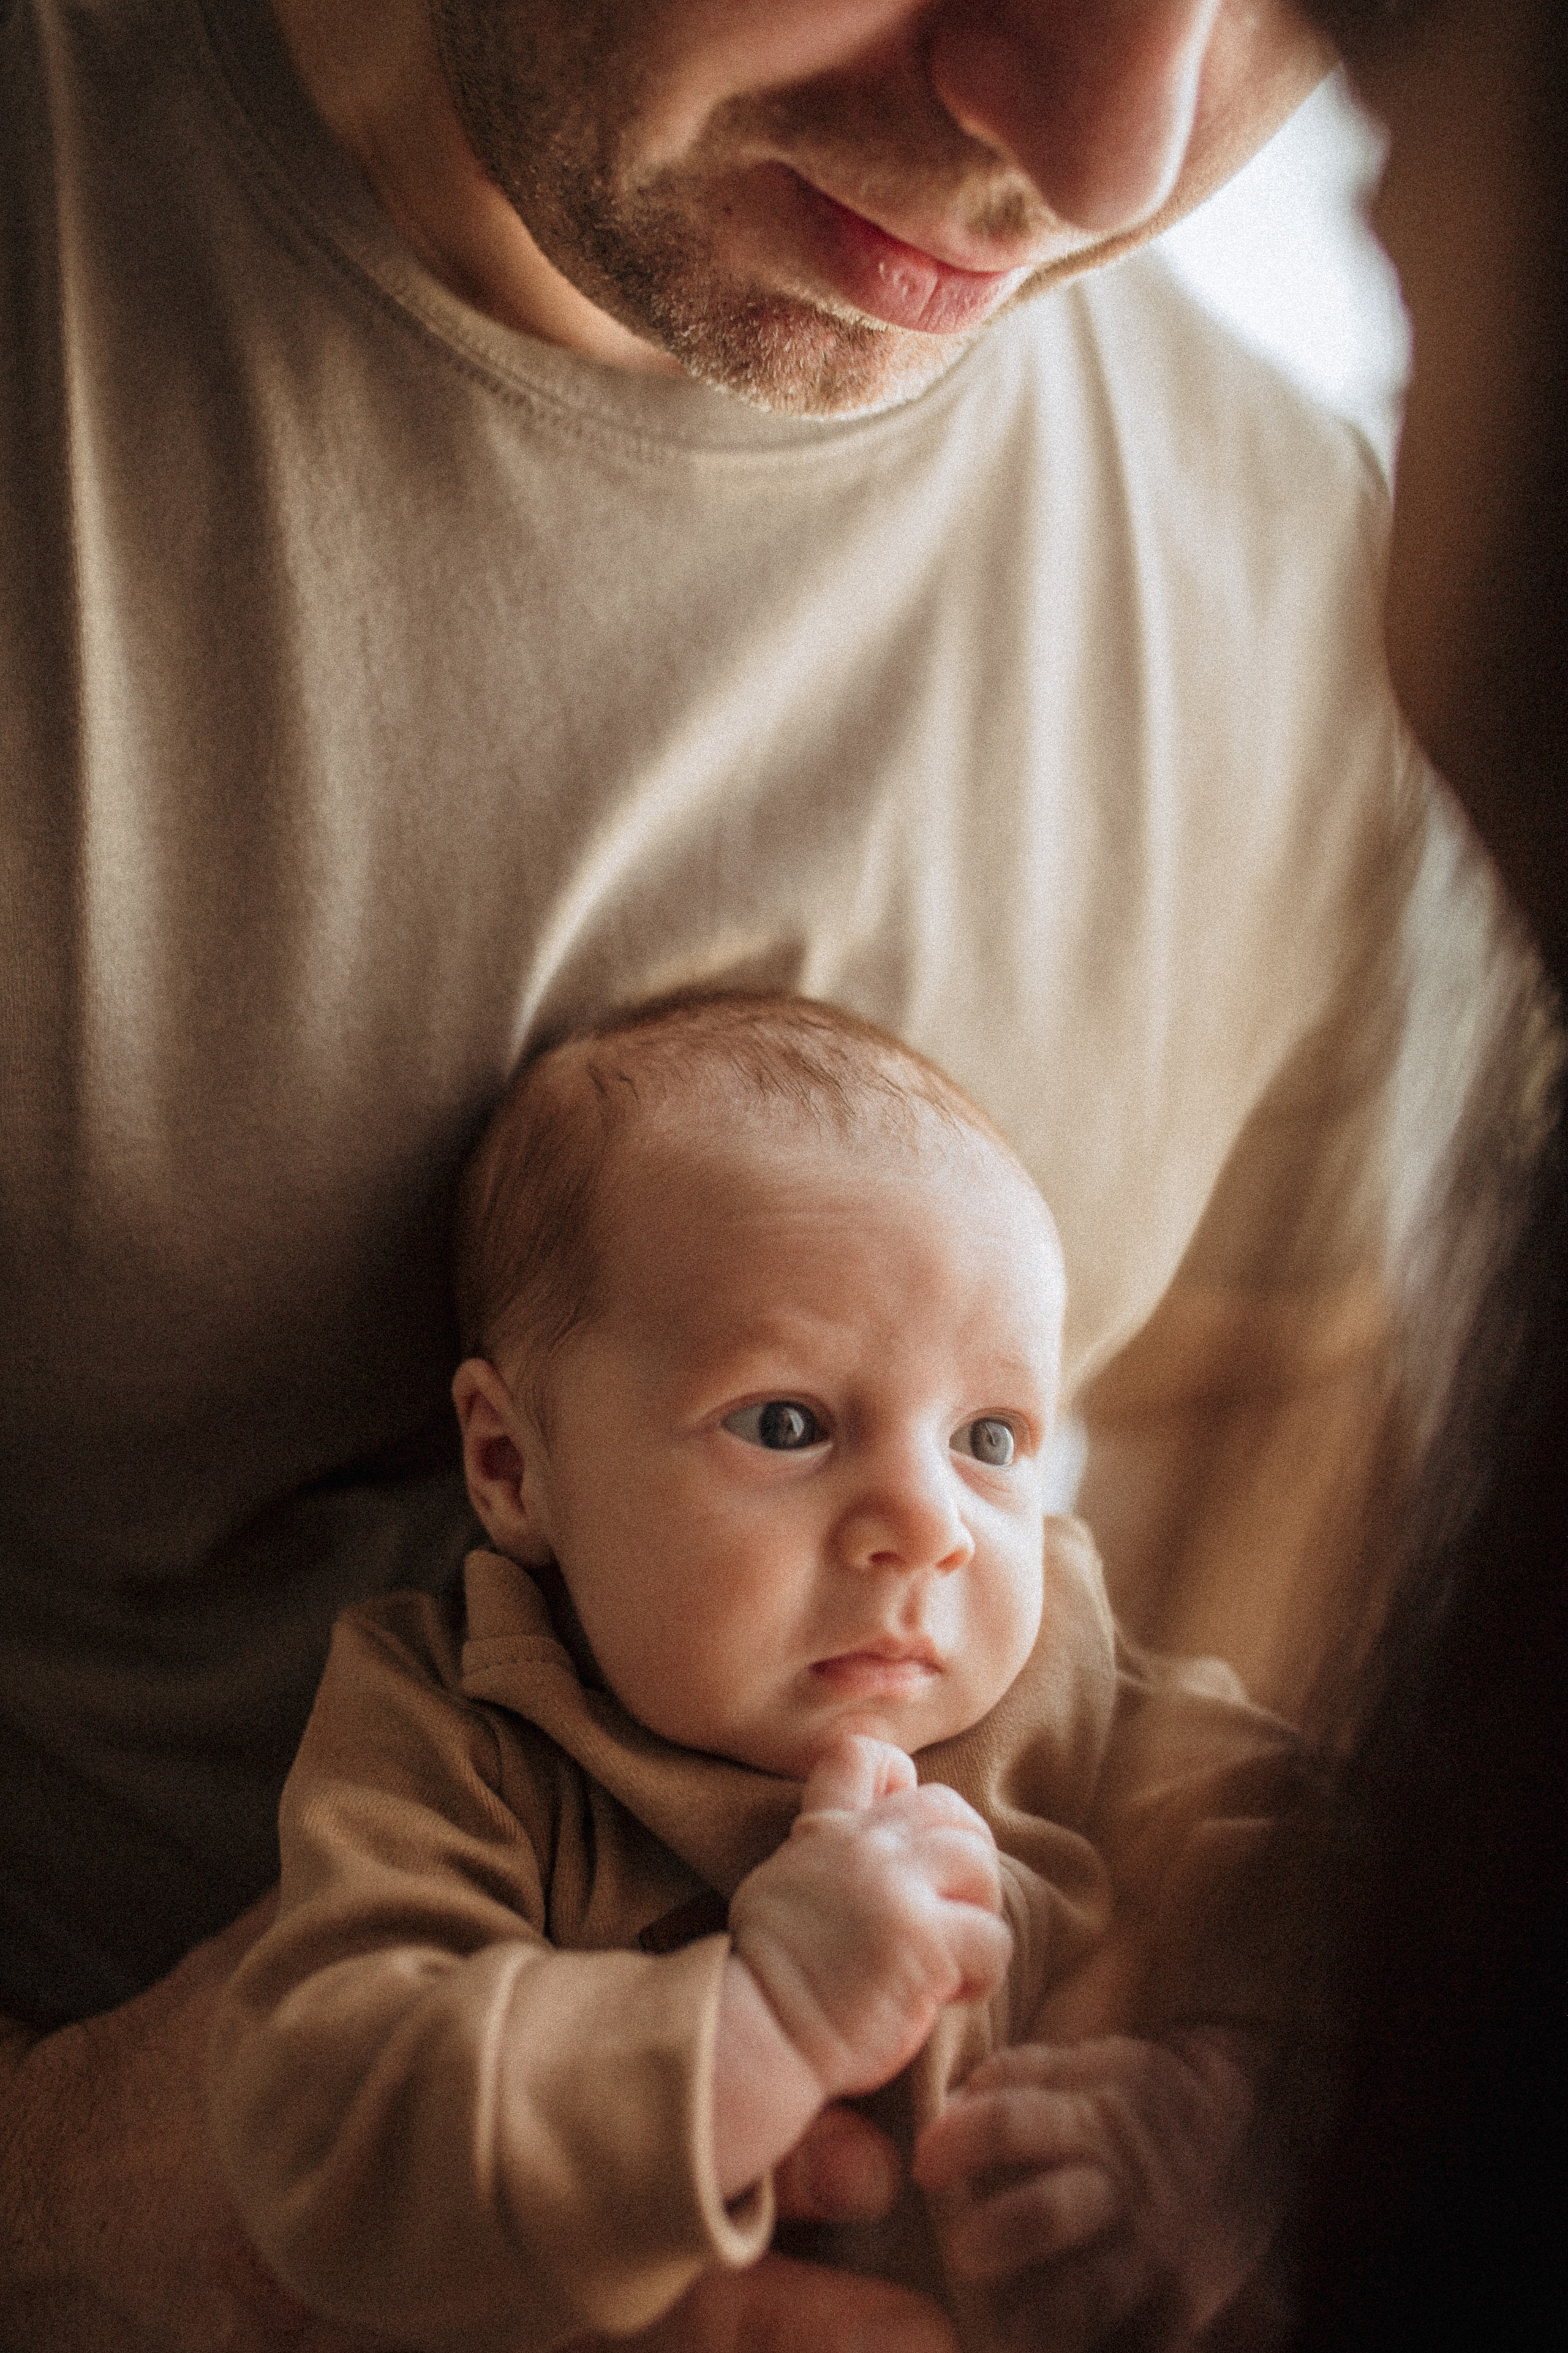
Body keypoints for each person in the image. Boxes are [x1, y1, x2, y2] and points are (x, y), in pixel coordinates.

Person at [0, 4, 1529, 2350]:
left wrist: (1211, 2134)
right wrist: (78, 2210)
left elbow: (1262, 1760)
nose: (1117, 159)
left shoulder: (1332, 612)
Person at [208, 992, 1307, 2353]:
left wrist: (1228, 2120)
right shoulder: (463, 1734)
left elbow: (1380, 1911)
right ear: (508, 1466)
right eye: (786, 1422)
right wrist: (759, 2019)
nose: (928, 1523)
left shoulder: (1075, 1679)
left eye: (990, 1436)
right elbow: (326, 2125)